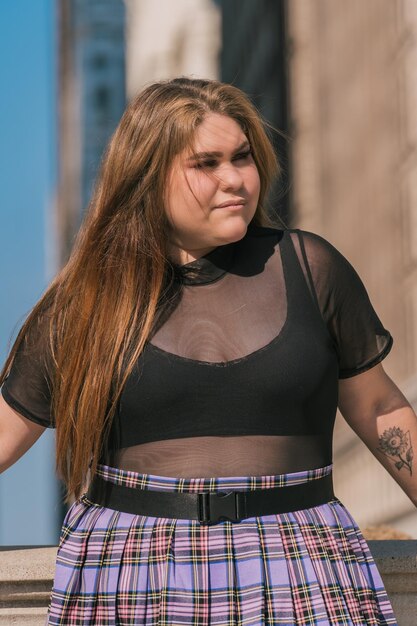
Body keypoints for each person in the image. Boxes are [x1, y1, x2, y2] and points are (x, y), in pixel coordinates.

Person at [0, 76, 415, 626]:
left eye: (242, 157)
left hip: (305, 562)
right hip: (132, 572)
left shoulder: (310, 268)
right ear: (147, 178)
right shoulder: (85, 304)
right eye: (206, 163)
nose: (235, 179)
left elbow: (380, 407)